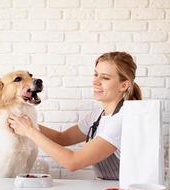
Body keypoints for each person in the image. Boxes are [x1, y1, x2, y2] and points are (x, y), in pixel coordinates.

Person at [8, 51, 142, 180]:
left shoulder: (124, 119)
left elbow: (73, 162)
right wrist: (25, 122)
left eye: (105, 78)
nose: (95, 82)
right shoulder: (96, 116)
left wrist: (29, 131)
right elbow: (62, 138)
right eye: (96, 74)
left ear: (124, 85)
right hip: (106, 188)